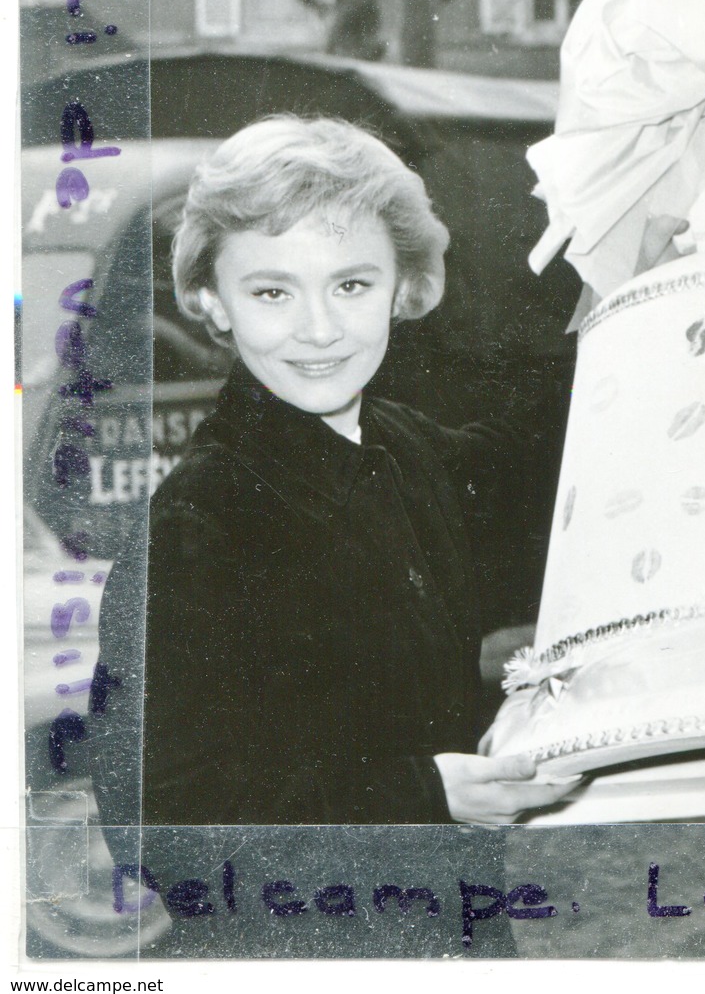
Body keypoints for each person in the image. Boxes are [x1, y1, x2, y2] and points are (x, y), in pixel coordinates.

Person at [94, 116, 573, 826]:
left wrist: (631, 275)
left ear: (403, 287)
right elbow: (156, 821)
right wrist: (423, 796)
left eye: (350, 285)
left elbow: (525, 456)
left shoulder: (396, 444)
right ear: (209, 302)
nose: (319, 329)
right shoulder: (198, 521)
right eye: (272, 293)